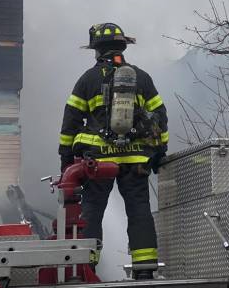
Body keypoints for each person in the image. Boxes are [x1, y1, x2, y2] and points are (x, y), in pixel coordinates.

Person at [58, 22, 168, 279]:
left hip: (99, 162)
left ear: (96, 50)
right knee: (139, 211)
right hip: (136, 160)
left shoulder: (87, 79)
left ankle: (86, 267)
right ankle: (144, 271)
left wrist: (66, 161)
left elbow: (70, 123)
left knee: (92, 211)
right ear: (122, 47)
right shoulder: (141, 77)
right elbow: (160, 116)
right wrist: (159, 151)